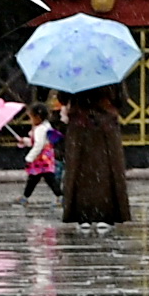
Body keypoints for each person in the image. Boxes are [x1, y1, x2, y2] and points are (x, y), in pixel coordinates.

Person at [60, 86, 130, 226]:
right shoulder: (109, 70)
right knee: (106, 170)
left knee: (79, 170)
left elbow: (63, 97)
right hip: (105, 125)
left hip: (80, 125)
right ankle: (105, 213)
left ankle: (82, 214)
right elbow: (121, 100)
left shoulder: (74, 71)